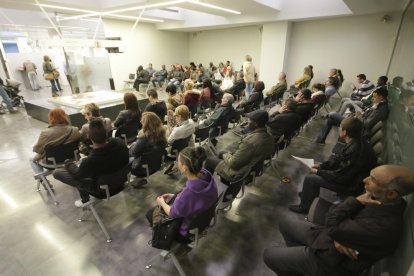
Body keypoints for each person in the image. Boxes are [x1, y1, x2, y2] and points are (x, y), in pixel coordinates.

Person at [264, 164, 414, 276]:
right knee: (285, 223)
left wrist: (354, 203)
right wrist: (338, 234)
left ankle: (303, 264)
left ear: (392, 194)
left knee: (269, 255)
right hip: (328, 239)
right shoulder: (378, 198)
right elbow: (334, 222)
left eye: (373, 180)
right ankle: (297, 266)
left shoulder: (383, 226)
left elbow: (333, 222)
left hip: (330, 262)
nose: (365, 180)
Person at [290, 117, 377, 214]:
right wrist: (322, 166)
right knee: (316, 168)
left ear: (345, 132)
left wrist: (319, 172)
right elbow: (339, 160)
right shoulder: (356, 141)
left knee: (310, 178)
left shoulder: (355, 150)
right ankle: (308, 194)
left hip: (350, 186)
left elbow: (340, 178)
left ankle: (304, 207)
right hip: (349, 179)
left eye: (340, 127)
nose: (339, 129)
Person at [147, 146, 218, 243]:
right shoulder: (208, 177)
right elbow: (193, 199)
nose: (177, 163)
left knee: (150, 213)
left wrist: (162, 203)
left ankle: (161, 234)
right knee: (175, 195)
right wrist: (176, 197)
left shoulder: (188, 194)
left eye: (178, 161)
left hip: (186, 232)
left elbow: (172, 213)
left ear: (184, 168)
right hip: (202, 220)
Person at [53, 118, 129, 206]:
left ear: (88, 136)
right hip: (122, 182)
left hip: (103, 191)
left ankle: (85, 199)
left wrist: (68, 163)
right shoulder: (120, 143)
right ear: (106, 133)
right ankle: (84, 198)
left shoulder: (90, 161)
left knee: (57, 172)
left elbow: (77, 175)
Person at [204, 109, 274, 183]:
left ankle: (206, 185)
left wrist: (224, 154)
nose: (247, 122)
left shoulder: (250, 142)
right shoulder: (270, 136)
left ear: (256, 124)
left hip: (238, 173)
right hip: (254, 169)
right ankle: (221, 180)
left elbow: (233, 164)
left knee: (210, 160)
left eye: (249, 120)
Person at [316, 86, 389, 144]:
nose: (372, 99)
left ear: (381, 97)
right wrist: (355, 114)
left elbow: (367, 124)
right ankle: (321, 140)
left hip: (356, 127)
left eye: (375, 97)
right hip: (356, 122)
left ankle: (327, 115)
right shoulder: (379, 105)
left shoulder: (380, 110)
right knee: (330, 120)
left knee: (332, 114)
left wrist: (358, 116)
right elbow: (366, 117)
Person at [30, 108, 80, 175]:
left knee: (32, 160)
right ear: (65, 116)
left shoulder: (46, 133)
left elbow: (38, 150)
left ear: (51, 118)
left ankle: (43, 180)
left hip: (53, 162)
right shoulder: (75, 130)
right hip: (72, 158)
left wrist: (34, 147)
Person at [129, 112, 167, 185]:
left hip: (141, 169)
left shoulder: (144, 138)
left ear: (146, 125)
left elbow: (134, 153)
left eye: (143, 123)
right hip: (157, 164)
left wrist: (133, 145)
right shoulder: (162, 133)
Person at [164, 105, 196, 175]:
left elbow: (168, 141)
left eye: (176, 115)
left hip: (175, 150)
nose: (175, 117)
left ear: (180, 117)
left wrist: (167, 133)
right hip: (186, 145)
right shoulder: (191, 122)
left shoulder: (177, 131)